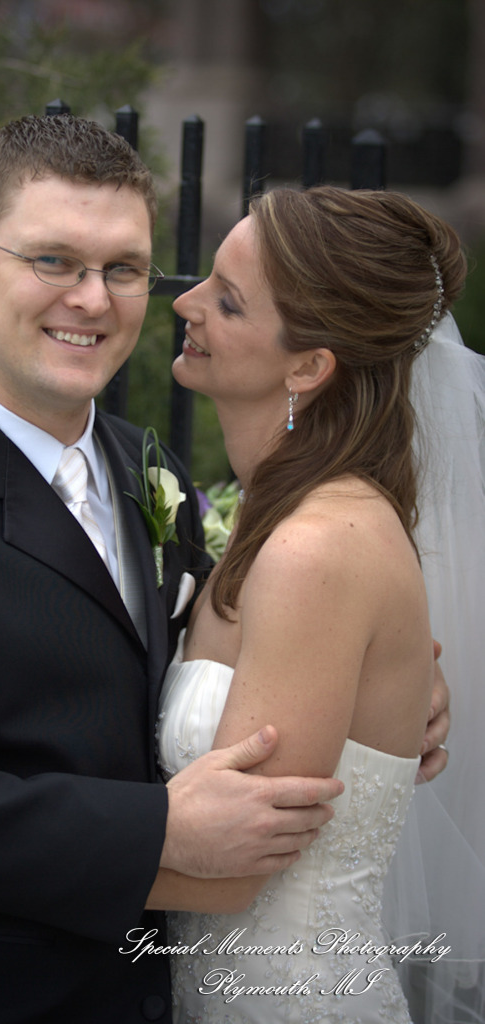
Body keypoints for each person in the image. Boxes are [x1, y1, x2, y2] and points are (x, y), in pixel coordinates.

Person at [0, 115, 350, 1024]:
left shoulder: (148, 469)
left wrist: (379, 681)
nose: (93, 300)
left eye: (123, 268)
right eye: (53, 261)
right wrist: (159, 829)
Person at [152, 186, 481, 1023]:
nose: (185, 302)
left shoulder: (314, 550)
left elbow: (236, 864)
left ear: (308, 367)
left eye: (227, 301)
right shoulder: (274, 521)